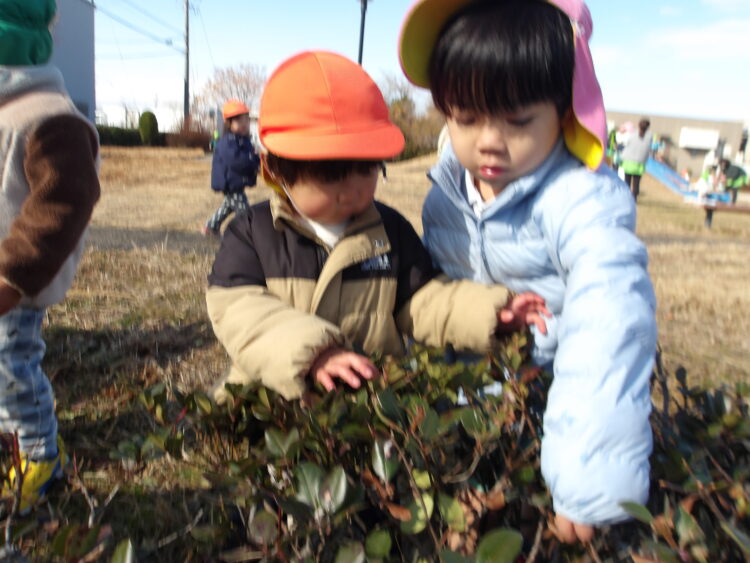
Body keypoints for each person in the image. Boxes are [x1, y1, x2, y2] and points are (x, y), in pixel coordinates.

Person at [398, 0, 657, 544]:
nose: (489, 140)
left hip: (546, 412)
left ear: (564, 108)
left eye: (518, 120)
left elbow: (609, 321)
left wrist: (586, 476)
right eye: (466, 117)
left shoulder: (579, 198)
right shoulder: (448, 189)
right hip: (462, 412)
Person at [205, 50, 549, 403]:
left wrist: (489, 313)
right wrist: (313, 353)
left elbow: (423, 301)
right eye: (330, 178)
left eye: (366, 170)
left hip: (368, 408)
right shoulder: (253, 233)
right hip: (272, 405)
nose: (353, 191)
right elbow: (238, 310)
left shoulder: (388, 230)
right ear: (275, 170)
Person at [0, 0, 100, 512]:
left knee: (10, 365)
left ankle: (38, 456)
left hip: (12, 284)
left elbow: (61, 204)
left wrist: (12, 277)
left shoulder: (47, 117)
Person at [201, 100, 260, 237]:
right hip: (229, 182)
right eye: (239, 121)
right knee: (244, 212)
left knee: (227, 206)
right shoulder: (227, 142)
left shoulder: (243, 140)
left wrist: (258, 162)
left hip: (235, 182)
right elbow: (237, 161)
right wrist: (254, 165)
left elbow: (251, 155)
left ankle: (211, 227)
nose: (244, 124)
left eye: (246, 120)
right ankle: (248, 236)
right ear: (229, 123)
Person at [621, 118, 652, 201]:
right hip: (640, 163)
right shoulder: (649, 137)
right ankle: (634, 199)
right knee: (636, 183)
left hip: (628, 161)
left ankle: (626, 198)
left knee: (627, 181)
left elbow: (626, 144)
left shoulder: (632, 134)